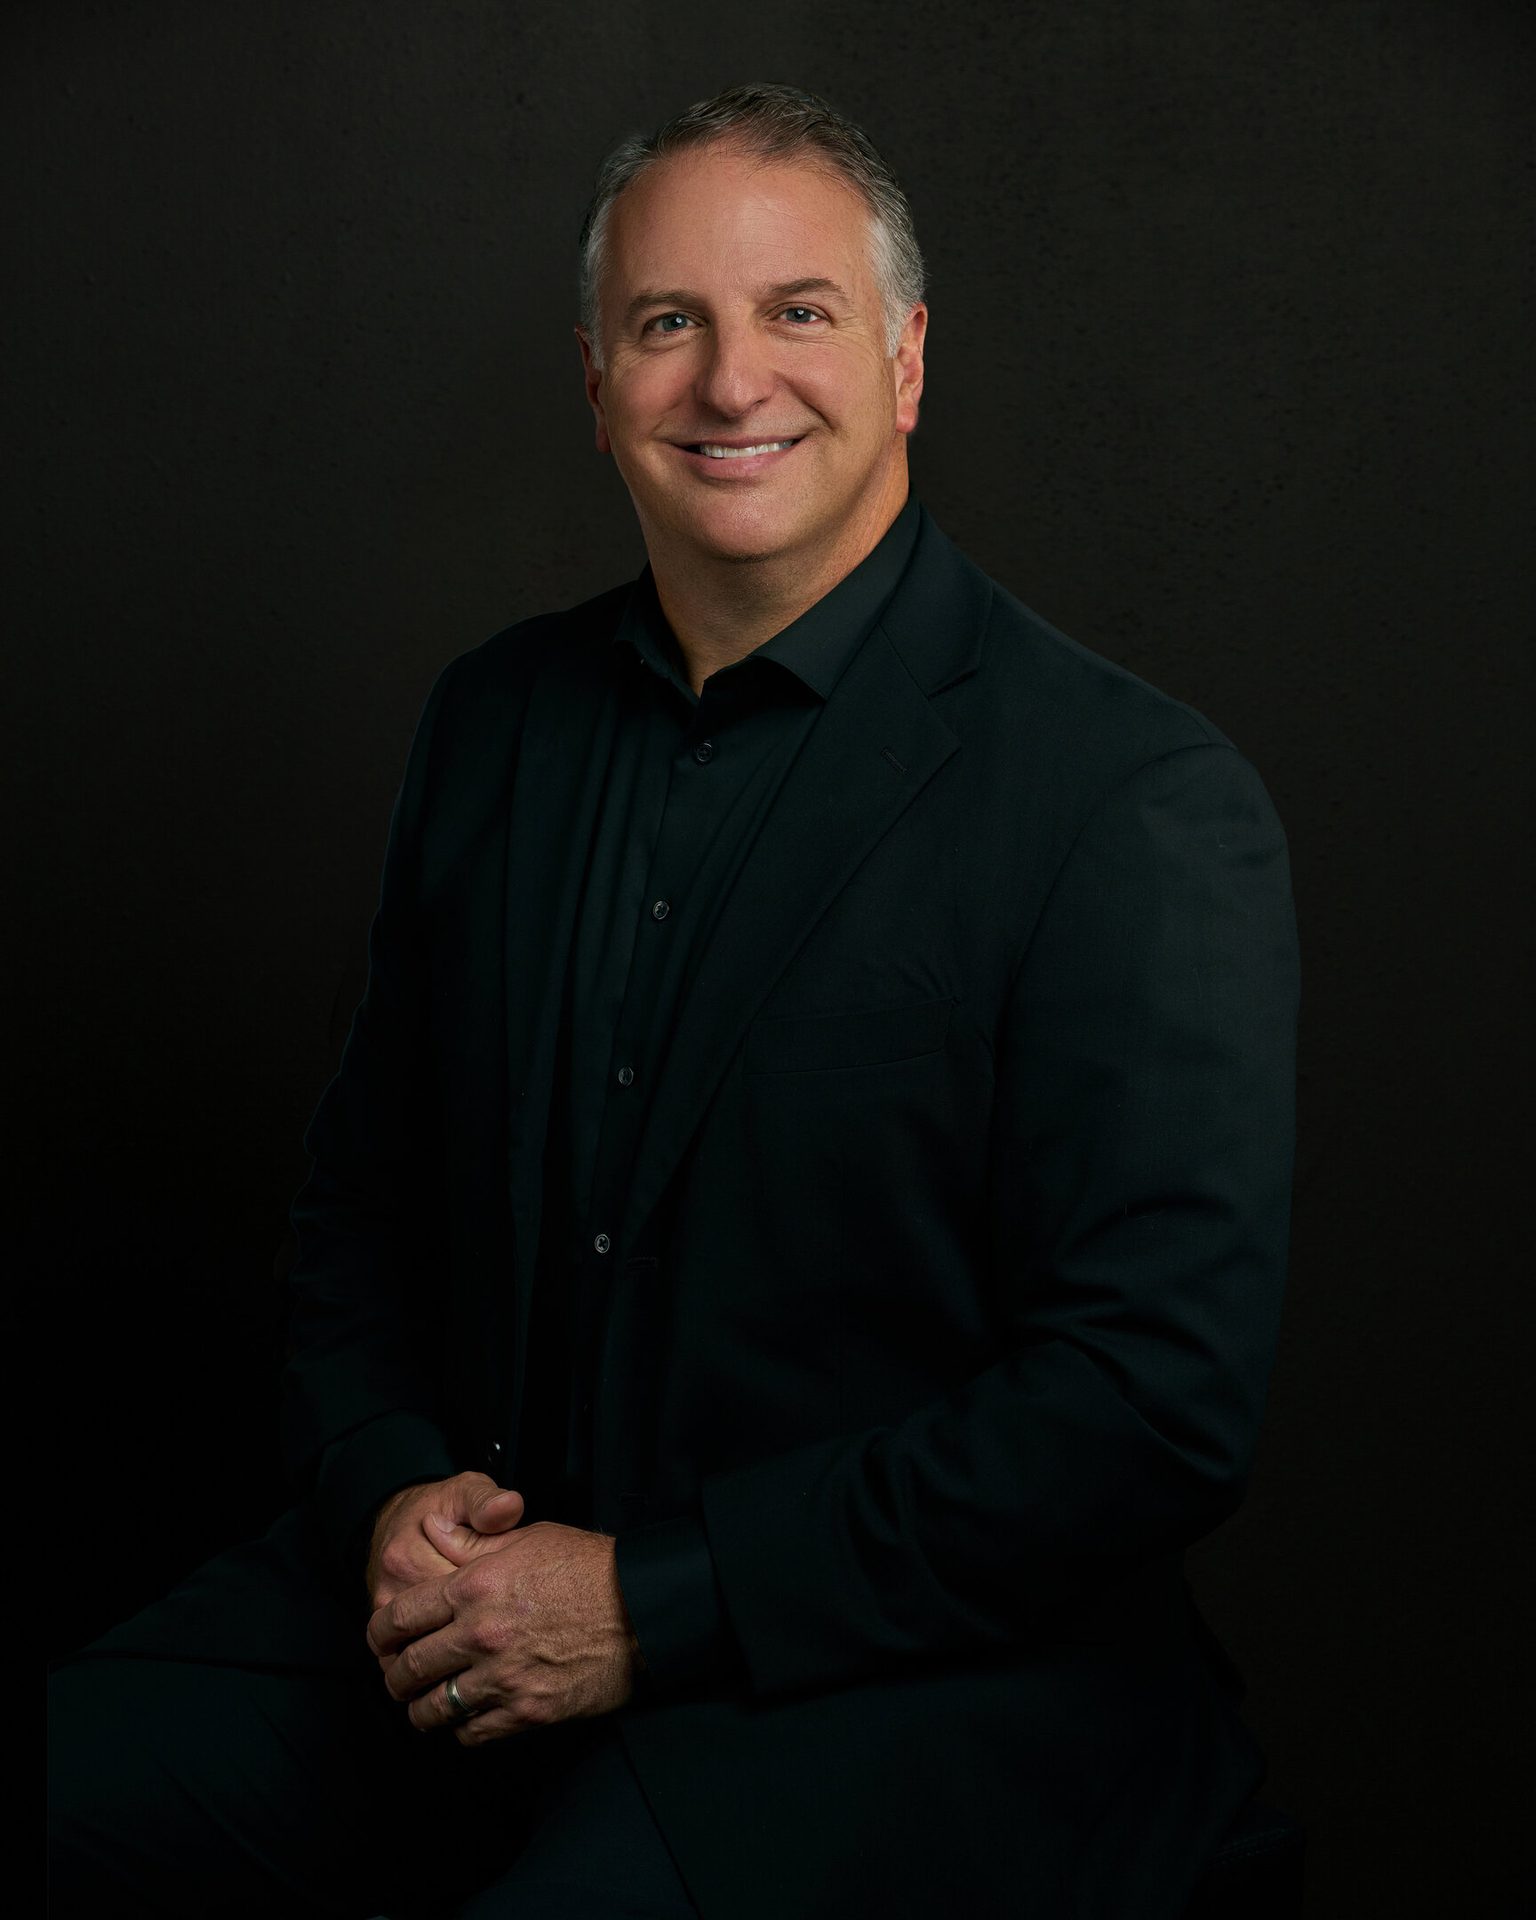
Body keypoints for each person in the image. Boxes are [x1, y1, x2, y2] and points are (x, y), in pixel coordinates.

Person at [49, 80, 1300, 1919]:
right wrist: (391, 1492)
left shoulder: (1132, 801)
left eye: (798, 312)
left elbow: (1144, 1408)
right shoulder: (491, 723)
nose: (732, 384)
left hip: (897, 1685)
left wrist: (652, 1601)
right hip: (453, 1625)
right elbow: (354, 1221)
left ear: (910, 358)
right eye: (668, 324)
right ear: (595, 378)